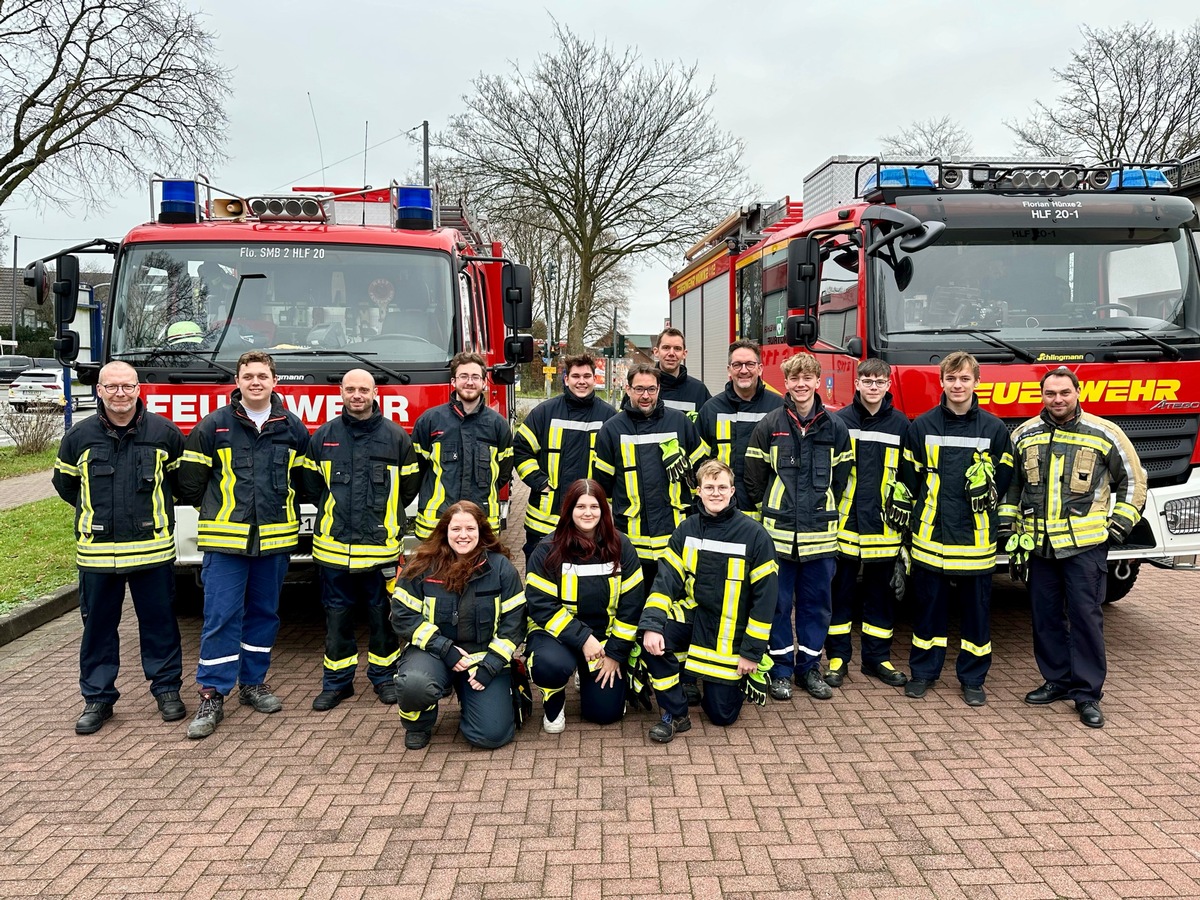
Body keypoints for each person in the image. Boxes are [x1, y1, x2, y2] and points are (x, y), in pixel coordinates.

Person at [175, 351, 312, 738]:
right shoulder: (213, 426)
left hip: (275, 543)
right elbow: (190, 484)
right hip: (225, 544)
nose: (256, 381)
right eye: (248, 375)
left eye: (262, 375)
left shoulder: (292, 428)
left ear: (275, 381)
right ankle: (213, 693)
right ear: (237, 381)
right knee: (220, 617)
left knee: (264, 615)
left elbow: (306, 483)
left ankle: (253, 683)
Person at [1000, 367, 1146, 728]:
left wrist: (1119, 526)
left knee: (1085, 619)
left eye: (1064, 392)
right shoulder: (1024, 435)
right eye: (1050, 393)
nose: (1058, 399)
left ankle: (1087, 695)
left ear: (1077, 392)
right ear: (1042, 396)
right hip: (1039, 548)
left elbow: (1133, 478)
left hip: (1085, 547)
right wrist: (1008, 524)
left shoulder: (1104, 432)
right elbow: (1012, 485)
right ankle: (1057, 680)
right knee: (1045, 617)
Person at [52, 361, 187, 735]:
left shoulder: (165, 433)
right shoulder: (78, 437)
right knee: (97, 628)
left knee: (159, 625)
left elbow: (180, 483)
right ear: (99, 391)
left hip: (152, 552)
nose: (120, 394)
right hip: (97, 554)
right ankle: (97, 699)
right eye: (111, 387)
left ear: (138, 389)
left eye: (127, 386)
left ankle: (167, 690)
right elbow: (66, 486)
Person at [891, 350, 1014, 707]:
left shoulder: (994, 429)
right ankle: (923, 674)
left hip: (976, 540)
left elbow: (1005, 483)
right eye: (951, 378)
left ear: (977, 382)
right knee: (928, 611)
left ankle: (973, 679)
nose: (957, 385)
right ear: (941, 382)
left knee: (977, 616)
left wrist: (1001, 526)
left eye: (965, 379)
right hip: (930, 536)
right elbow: (908, 481)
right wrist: (905, 534)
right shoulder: (922, 426)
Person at [303, 369, 421, 711]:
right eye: (351, 389)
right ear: (341, 392)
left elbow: (409, 487)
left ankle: (384, 679)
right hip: (333, 548)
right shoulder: (323, 437)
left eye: (363, 389)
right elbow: (312, 485)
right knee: (336, 617)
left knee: (382, 616)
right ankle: (337, 683)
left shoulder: (396, 438)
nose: (357, 395)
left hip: (381, 550)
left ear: (374, 393)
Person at [638, 460, 778, 742]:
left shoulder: (755, 535)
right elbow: (665, 580)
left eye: (722, 487)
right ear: (699, 491)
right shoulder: (685, 530)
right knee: (654, 640)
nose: (716, 493)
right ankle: (675, 712)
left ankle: (720, 680)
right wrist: (652, 625)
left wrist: (752, 652)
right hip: (691, 616)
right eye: (709, 487)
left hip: (730, 631)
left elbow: (765, 600)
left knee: (722, 715)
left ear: (732, 491)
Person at [745, 352, 852, 702]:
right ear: (785, 383)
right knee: (776, 605)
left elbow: (844, 480)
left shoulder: (835, 427)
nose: (801, 384)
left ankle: (808, 668)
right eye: (794, 379)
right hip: (777, 537)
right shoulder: (770, 424)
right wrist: (767, 516)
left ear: (817, 381)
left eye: (808, 378)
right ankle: (780, 672)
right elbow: (755, 477)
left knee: (816, 605)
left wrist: (826, 512)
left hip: (820, 537)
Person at [390, 501, 525, 750]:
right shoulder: (421, 566)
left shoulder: (500, 569)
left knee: (492, 736)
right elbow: (403, 616)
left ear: (481, 531)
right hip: (433, 653)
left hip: (484, 657)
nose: (463, 535)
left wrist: (492, 665)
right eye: (456, 529)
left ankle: (473, 696)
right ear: (445, 531)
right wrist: (444, 648)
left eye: (470, 529)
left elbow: (514, 623)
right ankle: (419, 724)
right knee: (415, 684)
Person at [524, 479, 645, 732]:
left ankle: (586, 672)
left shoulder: (622, 546)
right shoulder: (547, 549)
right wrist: (583, 638)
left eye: (594, 506)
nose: (587, 513)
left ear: (604, 510)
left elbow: (631, 605)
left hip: (604, 639)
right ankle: (554, 698)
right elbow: (542, 606)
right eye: (580, 507)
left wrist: (615, 653)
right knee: (550, 665)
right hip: (558, 636)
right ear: (568, 510)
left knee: (605, 713)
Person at [824, 359, 911, 689]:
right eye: (867, 381)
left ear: (888, 385)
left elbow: (909, 476)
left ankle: (878, 659)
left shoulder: (902, 425)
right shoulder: (838, 421)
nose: (873, 387)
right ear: (856, 384)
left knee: (880, 596)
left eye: (879, 381)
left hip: (884, 527)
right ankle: (837, 659)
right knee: (840, 594)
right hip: (844, 524)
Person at [592, 364, 708, 588]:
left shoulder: (680, 422)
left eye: (651, 389)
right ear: (628, 389)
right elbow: (603, 486)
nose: (645, 396)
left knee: (673, 600)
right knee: (634, 601)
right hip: (631, 537)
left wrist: (687, 471)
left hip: (674, 534)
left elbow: (703, 472)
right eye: (639, 389)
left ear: (659, 389)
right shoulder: (611, 429)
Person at [514, 354, 617, 565]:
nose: (582, 381)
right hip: (545, 520)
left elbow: (619, 462)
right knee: (541, 575)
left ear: (594, 379)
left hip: (590, 519)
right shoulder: (544, 412)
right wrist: (539, 482)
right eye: (576, 376)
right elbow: (521, 449)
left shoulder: (609, 416)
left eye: (587, 376)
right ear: (566, 378)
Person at [411, 351, 513, 540]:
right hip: (437, 522)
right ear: (453, 382)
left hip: (481, 522)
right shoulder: (430, 421)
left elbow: (503, 472)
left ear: (484, 383)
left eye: (475, 377)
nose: (469, 382)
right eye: (463, 376)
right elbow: (418, 469)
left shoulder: (498, 425)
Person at [697, 340, 784, 515]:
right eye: (737, 365)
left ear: (760, 368)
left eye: (750, 364)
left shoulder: (779, 407)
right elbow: (699, 464)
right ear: (729, 369)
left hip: (767, 510)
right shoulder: (711, 409)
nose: (744, 370)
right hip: (721, 510)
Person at [654, 327, 711, 419]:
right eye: (666, 348)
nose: (671, 353)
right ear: (656, 352)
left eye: (677, 348)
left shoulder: (698, 390)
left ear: (684, 354)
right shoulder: (642, 388)